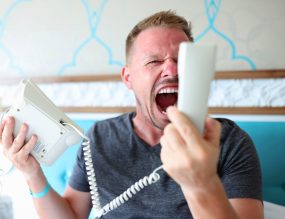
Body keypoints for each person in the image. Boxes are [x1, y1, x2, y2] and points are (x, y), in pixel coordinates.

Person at [0, 10, 263, 219]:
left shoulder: (230, 142)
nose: (172, 69)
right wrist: (31, 172)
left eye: (182, 60)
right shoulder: (100, 138)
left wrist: (200, 181)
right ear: (128, 78)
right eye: (154, 61)